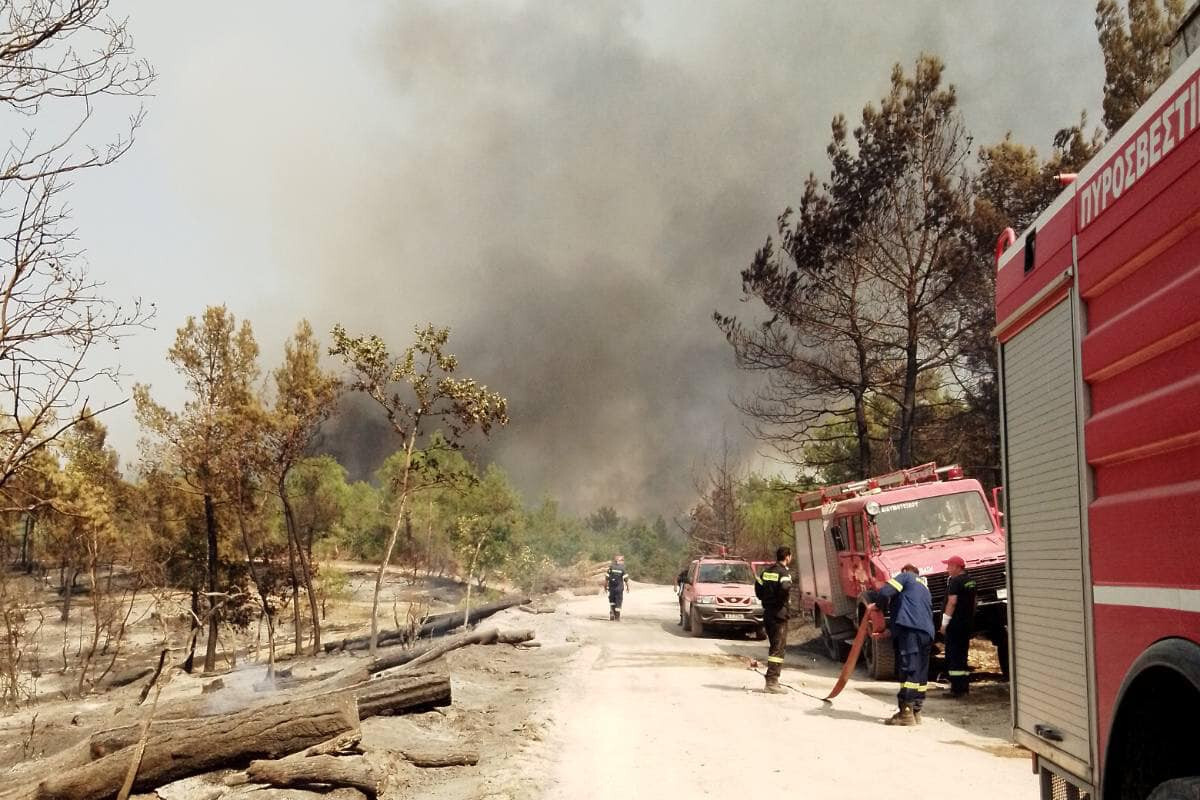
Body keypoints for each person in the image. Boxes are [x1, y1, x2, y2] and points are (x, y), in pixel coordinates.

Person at [875, 564, 935, 725]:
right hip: (927, 632)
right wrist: (891, 630)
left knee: (909, 669)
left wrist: (877, 607)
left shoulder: (906, 576)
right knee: (920, 672)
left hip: (910, 631)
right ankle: (916, 711)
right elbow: (912, 609)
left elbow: (884, 592)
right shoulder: (924, 587)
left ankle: (906, 713)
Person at [754, 546, 793, 694]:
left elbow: (758, 587)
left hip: (768, 613)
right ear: (787, 557)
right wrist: (780, 601)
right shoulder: (784, 573)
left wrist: (766, 599)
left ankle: (772, 680)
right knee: (778, 649)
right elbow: (785, 587)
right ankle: (772, 682)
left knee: (774, 647)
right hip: (779, 615)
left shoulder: (767, 572)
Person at [940, 555, 977, 697]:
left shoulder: (955, 581)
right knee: (962, 655)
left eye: (949, 566)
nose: (947, 569)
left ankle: (956, 689)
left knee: (953, 656)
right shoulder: (971, 581)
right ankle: (964, 687)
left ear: (956, 567)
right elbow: (974, 601)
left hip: (955, 624)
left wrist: (944, 623)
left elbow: (952, 602)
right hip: (966, 623)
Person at [605, 555, 631, 621]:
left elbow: (607, 578)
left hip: (611, 588)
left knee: (612, 601)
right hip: (619, 588)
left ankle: (612, 613)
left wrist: (605, 586)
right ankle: (617, 617)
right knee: (618, 601)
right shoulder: (622, 568)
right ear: (619, 561)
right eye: (622, 560)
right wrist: (628, 587)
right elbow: (626, 579)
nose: (623, 562)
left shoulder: (611, 567)